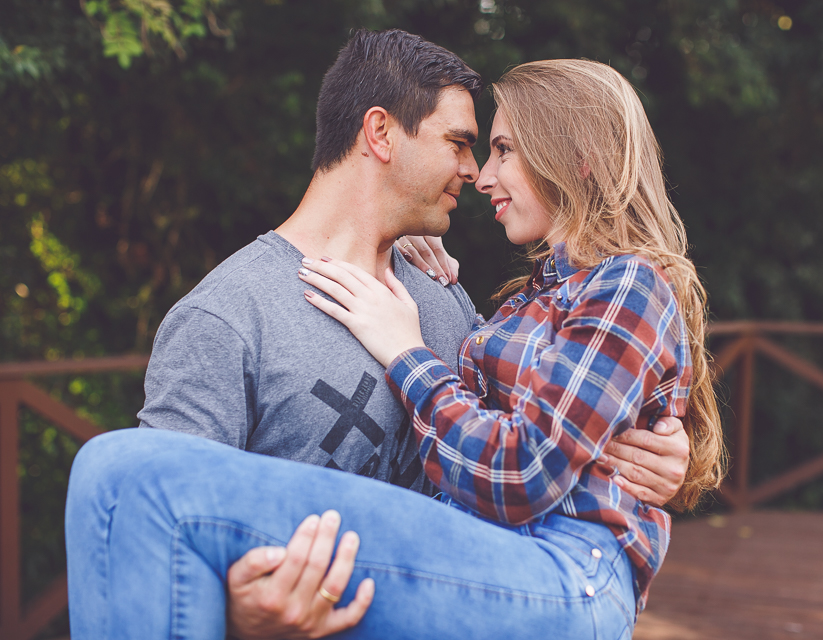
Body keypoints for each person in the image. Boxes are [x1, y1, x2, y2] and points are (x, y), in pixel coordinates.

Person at [65, 30, 693, 639]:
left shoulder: (442, 300)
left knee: (113, 470)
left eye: (494, 149)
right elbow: (157, 549)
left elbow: (544, 441)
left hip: (520, 577)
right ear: (381, 132)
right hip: (397, 596)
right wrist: (242, 619)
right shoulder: (228, 314)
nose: (476, 174)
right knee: (123, 474)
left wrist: (671, 462)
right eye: (460, 143)